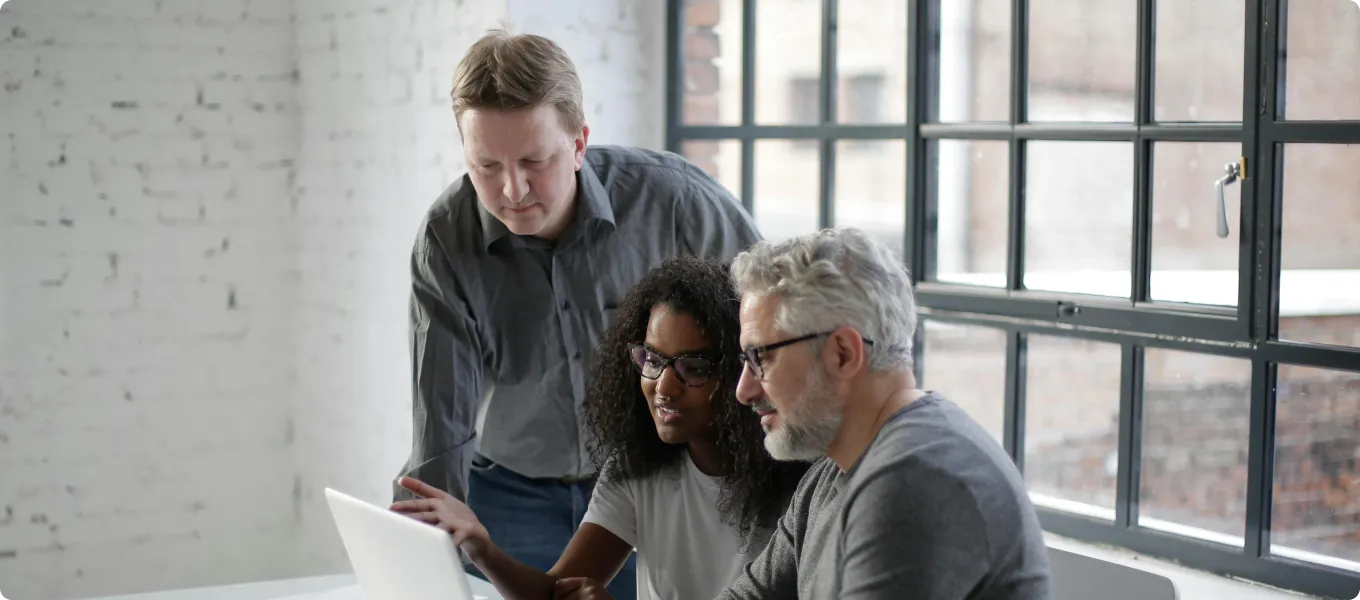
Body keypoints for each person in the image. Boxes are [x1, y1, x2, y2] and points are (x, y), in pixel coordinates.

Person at [392, 29, 762, 599]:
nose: (511, 190)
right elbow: (441, 416)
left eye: (534, 161)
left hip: (653, 480)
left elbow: (769, 329)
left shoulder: (677, 203)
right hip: (509, 491)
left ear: (580, 142)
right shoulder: (447, 238)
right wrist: (424, 546)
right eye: (485, 165)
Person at [392, 257, 809, 600]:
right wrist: (481, 547)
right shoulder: (637, 468)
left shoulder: (799, 482)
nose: (663, 387)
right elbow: (555, 593)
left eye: (694, 368)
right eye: (652, 360)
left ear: (743, 371)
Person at [715, 227, 1052, 600]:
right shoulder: (832, 473)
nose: (743, 390)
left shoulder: (917, 478)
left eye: (761, 357)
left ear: (843, 353)